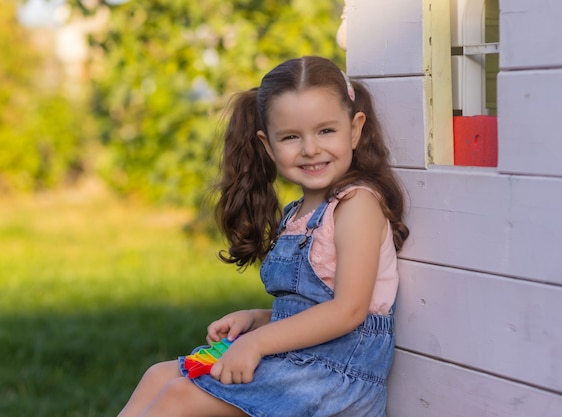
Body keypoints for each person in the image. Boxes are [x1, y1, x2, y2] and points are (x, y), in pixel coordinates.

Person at [117, 55, 409, 417]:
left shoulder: (357, 205)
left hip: (334, 380)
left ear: (355, 128)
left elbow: (348, 311)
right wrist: (257, 318)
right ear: (268, 146)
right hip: (297, 366)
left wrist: (256, 343)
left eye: (326, 131)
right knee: (159, 376)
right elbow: (307, 312)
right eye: (290, 137)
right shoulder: (297, 214)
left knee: (180, 400)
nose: (310, 148)